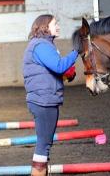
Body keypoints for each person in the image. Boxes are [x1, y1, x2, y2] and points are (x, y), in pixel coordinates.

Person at [23, 14, 78, 176]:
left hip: (44, 99)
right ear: (45, 27)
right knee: (44, 145)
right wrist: (76, 52)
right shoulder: (41, 45)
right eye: (55, 24)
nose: (58, 26)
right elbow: (59, 66)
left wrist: (68, 72)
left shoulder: (43, 45)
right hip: (44, 100)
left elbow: (57, 69)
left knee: (45, 144)